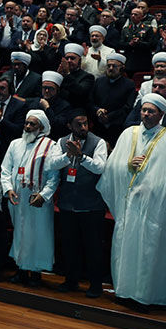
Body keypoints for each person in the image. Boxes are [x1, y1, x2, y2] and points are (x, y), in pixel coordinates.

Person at [97, 94, 166, 308]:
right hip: (130, 205)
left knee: (149, 250)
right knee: (126, 248)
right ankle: (124, 291)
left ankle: (147, 296)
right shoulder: (128, 134)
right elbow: (112, 167)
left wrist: (152, 186)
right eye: (144, 110)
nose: (146, 114)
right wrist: (127, 165)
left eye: (151, 111)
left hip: (155, 208)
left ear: (161, 114)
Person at [48, 113, 109, 298]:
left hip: (92, 206)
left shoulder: (98, 142)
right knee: (69, 246)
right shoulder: (61, 141)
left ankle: (96, 285)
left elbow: (100, 167)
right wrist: (69, 155)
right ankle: (71, 280)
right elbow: (52, 163)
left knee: (93, 248)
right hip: (68, 204)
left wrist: (81, 157)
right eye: (79, 124)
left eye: (85, 123)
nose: (83, 127)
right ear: (69, 126)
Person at [1, 109, 58, 286]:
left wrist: (44, 195)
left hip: (37, 200)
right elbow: (5, 169)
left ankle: (35, 273)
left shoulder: (51, 146)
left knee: (38, 235)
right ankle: (21, 270)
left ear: (41, 127)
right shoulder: (15, 144)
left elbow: (54, 176)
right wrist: (8, 189)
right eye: (26, 123)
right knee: (20, 233)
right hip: (17, 198)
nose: (27, 126)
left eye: (32, 124)